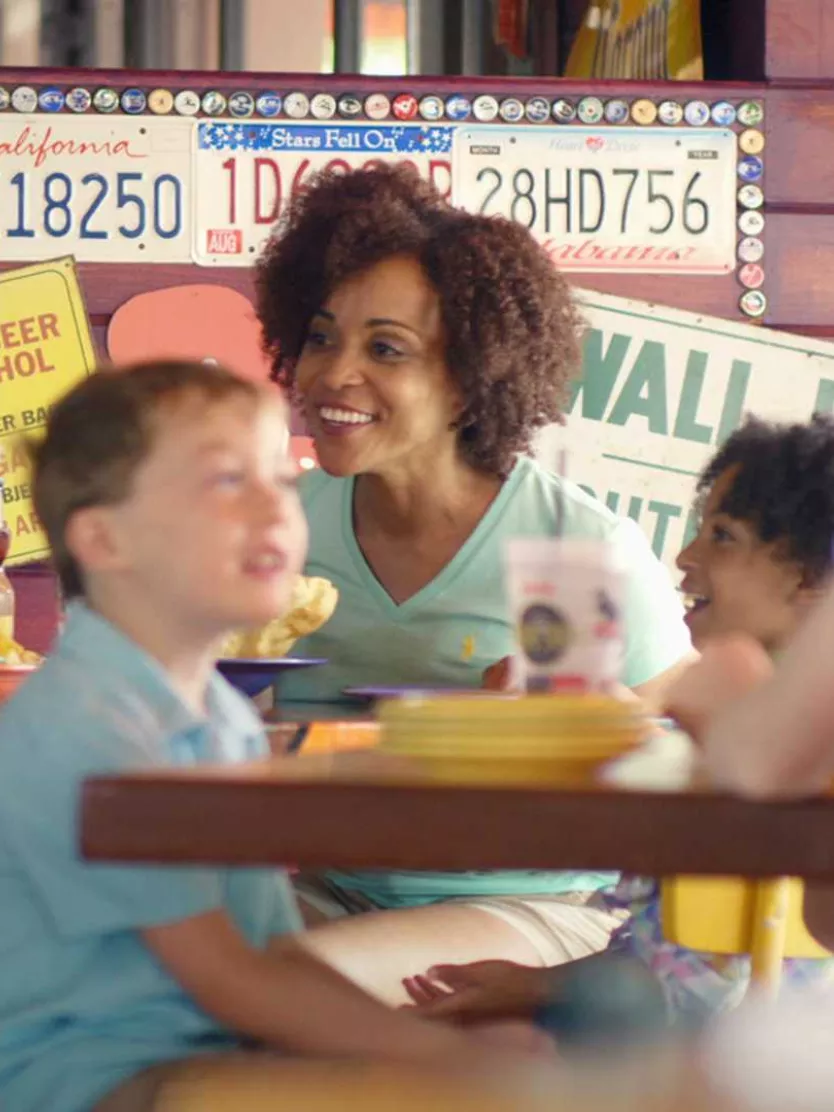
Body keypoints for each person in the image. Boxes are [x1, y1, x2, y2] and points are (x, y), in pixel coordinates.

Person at [0, 360, 514, 1112]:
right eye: (226, 482)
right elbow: (232, 978)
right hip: (89, 1083)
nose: (278, 510)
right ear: (106, 540)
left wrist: (429, 1046)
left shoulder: (224, 719)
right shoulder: (84, 727)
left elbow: (272, 955)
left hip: (208, 1060)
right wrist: (442, 1058)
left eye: (281, 477)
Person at [254, 163, 693, 992]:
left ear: (468, 379)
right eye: (320, 336)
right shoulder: (284, 526)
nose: (333, 373)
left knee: (297, 982)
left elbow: (682, 743)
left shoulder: (561, 549)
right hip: (326, 888)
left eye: (387, 348)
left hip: (529, 906)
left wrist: (583, 727)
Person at [402, 415, 834, 1025]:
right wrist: (533, 984)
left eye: (724, 536)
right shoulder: (732, 720)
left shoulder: (760, 722)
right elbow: (677, 955)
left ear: (809, 581)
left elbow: (700, 997)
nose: (687, 556)